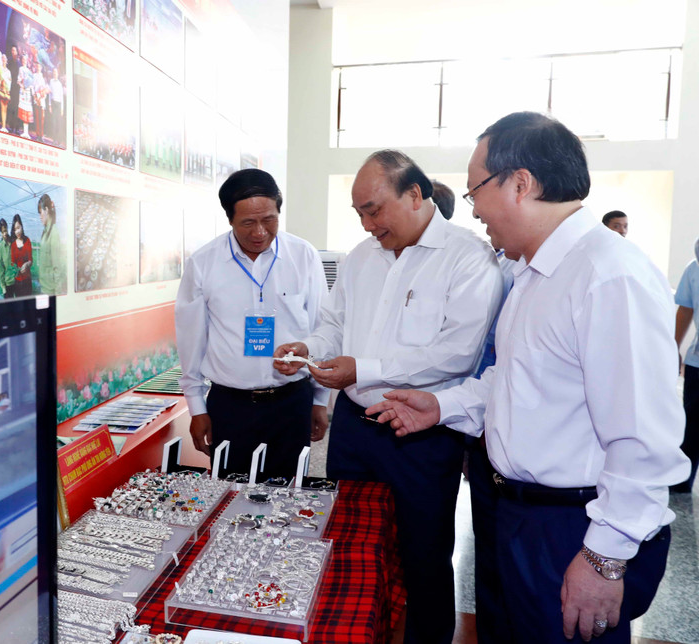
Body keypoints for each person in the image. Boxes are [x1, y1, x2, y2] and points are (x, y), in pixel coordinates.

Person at [368, 112, 689, 643]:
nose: (474, 212)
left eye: (475, 192)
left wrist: (604, 557)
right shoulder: (534, 273)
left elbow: (645, 440)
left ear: (520, 183)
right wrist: (442, 407)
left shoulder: (608, 275)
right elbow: (513, 382)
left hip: (575, 528)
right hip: (519, 515)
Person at [273, 150, 502, 644]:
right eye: (358, 212)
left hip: (420, 432)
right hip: (355, 428)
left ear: (415, 195)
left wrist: (366, 368)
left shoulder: (468, 258)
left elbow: (457, 354)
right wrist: (309, 348)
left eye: (374, 209)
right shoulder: (361, 259)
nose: (366, 224)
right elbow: (334, 325)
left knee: (424, 551)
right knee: (348, 540)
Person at [176, 169, 329, 479]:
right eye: (248, 223)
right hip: (230, 407)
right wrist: (196, 407)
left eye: (269, 220)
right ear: (229, 219)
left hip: (292, 403)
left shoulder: (303, 256)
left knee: (288, 494)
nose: (260, 232)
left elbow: (321, 327)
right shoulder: (204, 263)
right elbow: (192, 340)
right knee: (228, 497)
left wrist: (320, 400)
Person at [673, 237, 699, 494]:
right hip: (697, 362)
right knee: (692, 424)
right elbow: (686, 308)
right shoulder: (693, 268)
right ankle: (682, 481)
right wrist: (674, 346)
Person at [37, 194, 62, 295]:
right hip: (44, 287)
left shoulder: (54, 233)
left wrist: (58, 294)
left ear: (46, 210)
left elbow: (57, 267)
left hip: (50, 291)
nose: (40, 217)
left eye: (40, 213)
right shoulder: (45, 232)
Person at [10, 213, 33, 296]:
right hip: (18, 281)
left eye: (18, 228)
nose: (17, 231)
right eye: (15, 229)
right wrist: (17, 269)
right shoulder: (13, 245)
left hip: (27, 280)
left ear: (22, 227)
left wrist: (27, 264)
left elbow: (31, 260)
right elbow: (12, 263)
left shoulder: (27, 241)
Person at [0, 217, 16, 298]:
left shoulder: (14, 242)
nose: (5, 234)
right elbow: (0, 268)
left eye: (5, 230)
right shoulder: (1, 247)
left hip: (18, 282)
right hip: (8, 284)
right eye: (2, 232)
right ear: (0, 232)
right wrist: (3, 288)